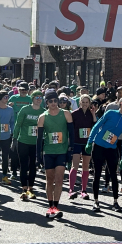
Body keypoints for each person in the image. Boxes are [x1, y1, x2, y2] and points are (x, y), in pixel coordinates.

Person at [86, 98, 122, 213]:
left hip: (111, 149)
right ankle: (96, 201)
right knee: (97, 174)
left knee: (113, 175)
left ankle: (115, 202)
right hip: (98, 146)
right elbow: (97, 126)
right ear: (119, 104)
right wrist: (89, 142)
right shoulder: (110, 113)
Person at [37, 89, 74, 219]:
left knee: (59, 179)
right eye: (50, 101)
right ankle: (50, 205)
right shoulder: (42, 117)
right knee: (49, 179)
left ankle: (56, 206)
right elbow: (39, 139)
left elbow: (71, 134)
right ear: (46, 102)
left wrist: (71, 150)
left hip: (62, 151)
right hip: (48, 152)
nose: (53, 103)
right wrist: (38, 155)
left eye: (55, 101)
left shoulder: (66, 114)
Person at [11, 90, 44, 200]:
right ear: (32, 98)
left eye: (40, 97)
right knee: (24, 165)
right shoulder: (25, 109)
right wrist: (14, 139)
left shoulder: (44, 111)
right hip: (23, 141)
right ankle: (24, 189)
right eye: (37, 97)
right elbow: (18, 125)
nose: (39, 99)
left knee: (33, 166)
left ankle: (31, 188)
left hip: (36, 143)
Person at [69, 94, 96, 200]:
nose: (85, 104)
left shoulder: (91, 114)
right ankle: (71, 190)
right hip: (76, 142)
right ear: (79, 102)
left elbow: (95, 127)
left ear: (89, 103)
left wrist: (94, 114)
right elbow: (70, 129)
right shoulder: (74, 114)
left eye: (87, 102)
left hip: (87, 143)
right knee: (74, 165)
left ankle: (83, 190)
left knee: (86, 166)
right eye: (83, 102)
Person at [0, 91, 15, 185]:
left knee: (5, 156)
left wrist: (12, 132)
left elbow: (12, 122)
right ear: (0, 99)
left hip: (6, 136)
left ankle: (5, 175)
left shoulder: (10, 109)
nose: (7, 99)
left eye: (7, 97)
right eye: (5, 97)